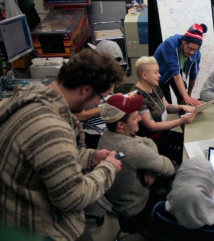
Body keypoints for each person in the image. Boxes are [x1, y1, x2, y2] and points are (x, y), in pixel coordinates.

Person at [0, 49, 124, 240]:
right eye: (101, 97)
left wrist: (92, 157)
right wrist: (108, 167)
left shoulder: (28, 97)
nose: (100, 102)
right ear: (85, 89)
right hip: (33, 227)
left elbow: (47, 157)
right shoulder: (52, 130)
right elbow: (74, 198)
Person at [97, 94, 175, 229]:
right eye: (134, 117)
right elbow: (169, 168)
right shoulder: (132, 148)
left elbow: (147, 140)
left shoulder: (106, 135)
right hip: (136, 209)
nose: (139, 118)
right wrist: (152, 163)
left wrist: (150, 167)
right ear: (121, 125)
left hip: (118, 201)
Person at [131, 56, 197, 165]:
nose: (159, 75)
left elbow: (166, 106)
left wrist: (181, 107)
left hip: (163, 133)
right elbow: (151, 126)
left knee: (189, 141)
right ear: (144, 75)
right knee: (183, 152)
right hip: (151, 140)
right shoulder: (138, 96)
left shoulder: (154, 87)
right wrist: (180, 121)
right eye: (156, 73)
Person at [153, 23, 208, 106]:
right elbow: (176, 75)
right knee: (165, 105)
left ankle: (184, 116)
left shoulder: (196, 54)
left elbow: (193, 76)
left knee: (184, 100)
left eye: (194, 50)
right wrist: (186, 97)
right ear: (184, 41)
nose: (191, 52)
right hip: (160, 73)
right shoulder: (170, 44)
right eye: (189, 48)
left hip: (176, 73)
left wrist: (188, 94)